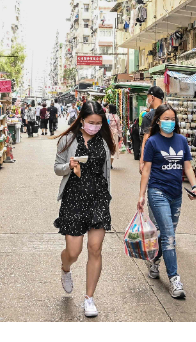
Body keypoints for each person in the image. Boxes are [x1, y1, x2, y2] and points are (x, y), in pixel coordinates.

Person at [53, 101, 115, 318]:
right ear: (82, 120)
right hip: (74, 198)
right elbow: (57, 168)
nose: (95, 127)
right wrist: (69, 166)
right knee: (73, 251)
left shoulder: (104, 142)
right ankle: (65, 268)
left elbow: (106, 172)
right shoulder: (68, 139)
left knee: (95, 248)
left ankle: (89, 298)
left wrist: (108, 197)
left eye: (99, 123)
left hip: (98, 198)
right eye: (91, 122)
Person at [137, 104, 196, 300]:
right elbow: (146, 170)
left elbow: (187, 167)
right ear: (158, 121)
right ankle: (175, 280)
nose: (170, 122)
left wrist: (195, 186)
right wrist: (141, 194)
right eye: (166, 118)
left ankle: (154, 261)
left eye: (173, 119)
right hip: (157, 192)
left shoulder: (181, 140)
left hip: (176, 194)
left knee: (166, 234)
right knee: (170, 236)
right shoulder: (152, 142)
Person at [134, 86, 165, 163]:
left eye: (148, 98)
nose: (147, 101)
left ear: (152, 97)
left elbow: (146, 139)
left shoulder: (149, 116)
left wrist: (142, 161)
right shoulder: (170, 114)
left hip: (153, 156)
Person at [106, 104, 123, 169]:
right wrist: (121, 136)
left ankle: (107, 163)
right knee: (113, 149)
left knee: (107, 148)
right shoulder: (117, 117)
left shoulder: (107, 116)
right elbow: (119, 127)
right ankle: (110, 164)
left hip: (108, 134)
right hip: (115, 134)